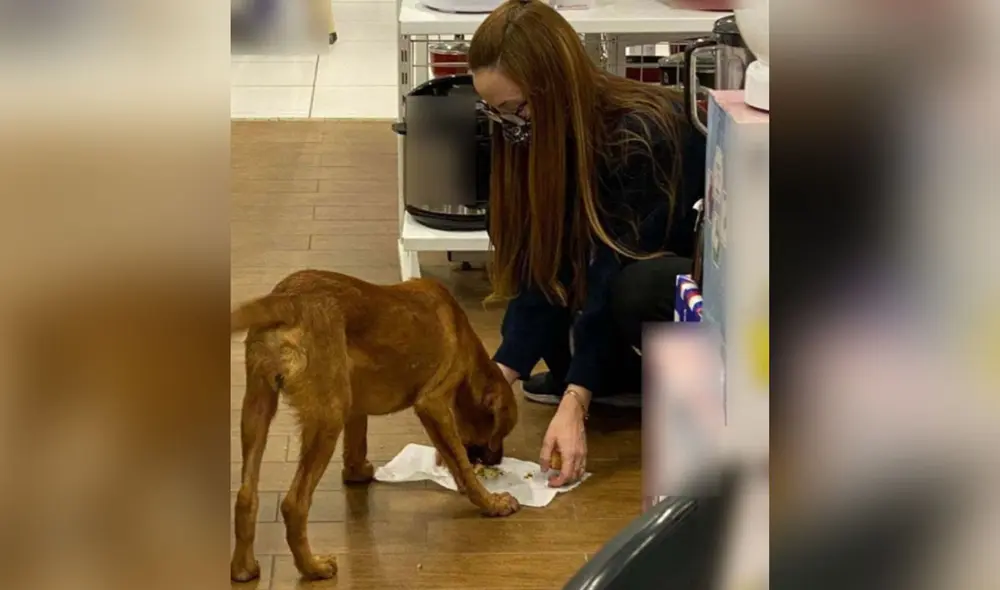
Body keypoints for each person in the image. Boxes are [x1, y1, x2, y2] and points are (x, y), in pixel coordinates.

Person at [468, 0, 706, 486]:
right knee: (551, 326)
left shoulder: (643, 134)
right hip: (613, 294)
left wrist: (576, 399)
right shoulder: (530, 135)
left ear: (556, 89)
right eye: (494, 113)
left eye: (516, 111)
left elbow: (612, 267)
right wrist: (499, 377)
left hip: (686, 299)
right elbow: (541, 263)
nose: (510, 127)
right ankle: (608, 380)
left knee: (633, 287)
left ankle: (631, 382)